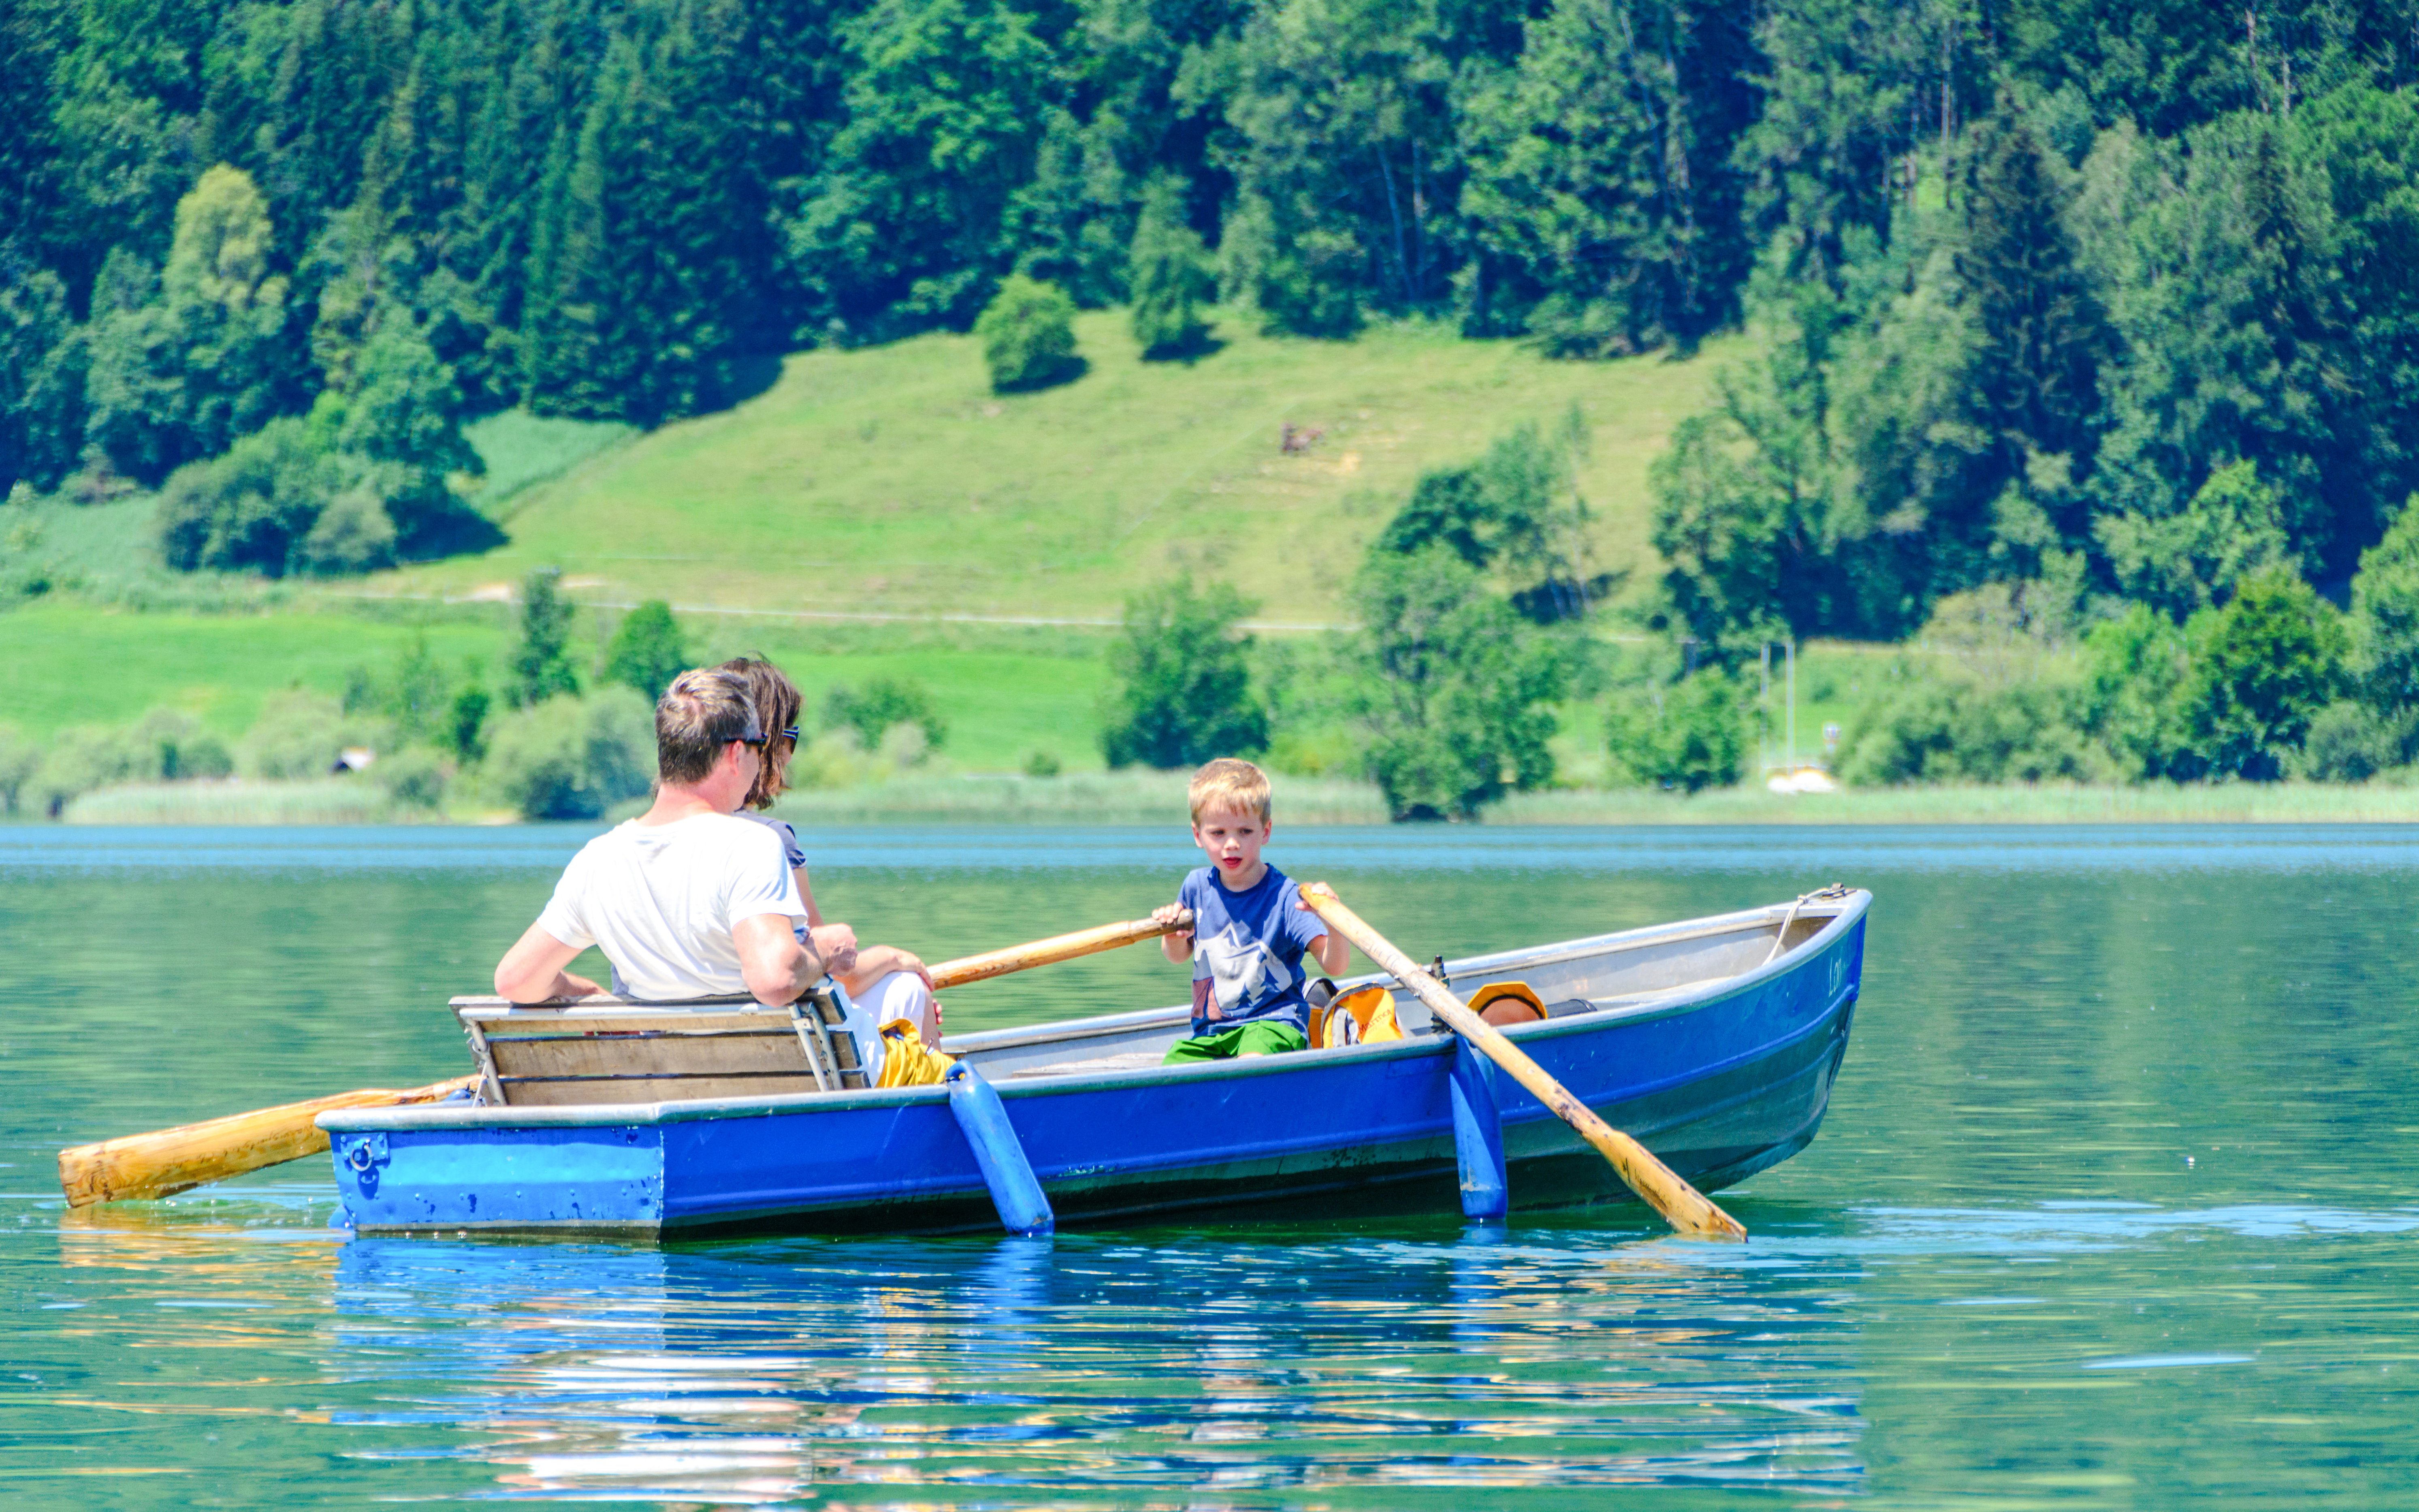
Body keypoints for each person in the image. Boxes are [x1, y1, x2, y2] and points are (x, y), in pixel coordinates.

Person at [717, 655, 946, 1065]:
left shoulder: (663, 839)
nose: (790, 754)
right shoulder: (770, 842)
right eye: (792, 735)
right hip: (786, 1048)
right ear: (760, 743)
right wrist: (897, 959)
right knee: (909, 990)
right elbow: (834, 972)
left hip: (709, 1041)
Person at [1151, 758, 1349, 1064]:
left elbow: (1335, 965)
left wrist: (1334, 921)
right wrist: (1175, 933)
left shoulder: (1286, 896)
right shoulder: (1196, 886)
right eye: (1218, 833)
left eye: (1245, 831)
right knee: (1172, 1066)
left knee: (1252, 1061)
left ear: (1265, 831)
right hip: (1212, 1033)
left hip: (1273, 1024)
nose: (1232, 844)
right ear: (1197, 834)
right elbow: (1177, 955)